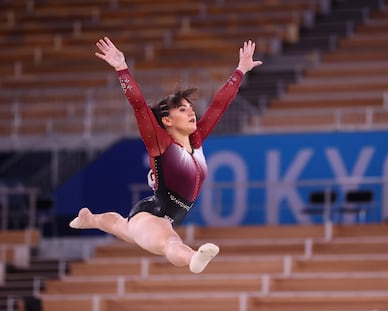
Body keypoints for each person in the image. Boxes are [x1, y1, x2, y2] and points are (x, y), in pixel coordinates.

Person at [69, 37, 262, 273]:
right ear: (167, 121)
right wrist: (122, 68)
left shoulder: (197, 139)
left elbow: (219, 105)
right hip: (152, 216)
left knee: (121, 225)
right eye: (183, 110)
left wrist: (240, 70)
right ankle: (193, 258)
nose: (192, 113)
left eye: (191, 109)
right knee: (169, 242)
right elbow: (139, 106)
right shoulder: (160, 143)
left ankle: (90, 219)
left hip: (159, 214)